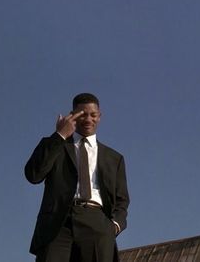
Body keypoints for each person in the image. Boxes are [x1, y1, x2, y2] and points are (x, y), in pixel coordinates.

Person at [25, 93, 130, 262]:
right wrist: (59, 135)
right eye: (82, 114)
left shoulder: (114, 158)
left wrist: (114, 225)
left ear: (99, 116)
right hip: (57, 224)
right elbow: (33, 175)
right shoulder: (56, 145)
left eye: (93, 115)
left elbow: (122, 199)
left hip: (97, 222)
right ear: (72, 115)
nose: (88, 119)